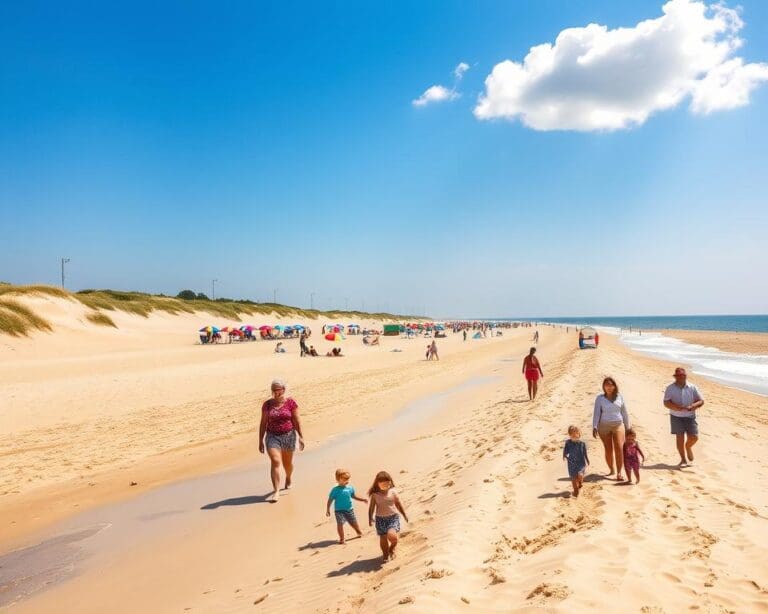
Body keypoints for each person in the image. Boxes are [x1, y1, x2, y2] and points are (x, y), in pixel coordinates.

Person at [258, 379, 305, 502]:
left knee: (287, 464)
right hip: (272, 436)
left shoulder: (291, 403)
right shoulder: (267, 404)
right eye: (273, 390)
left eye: (278, 389)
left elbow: (296, 420)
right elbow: (263, 423)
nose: (275, 392)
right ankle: (276, 491)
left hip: (289, 435)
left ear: (283, 390)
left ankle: (288, 477)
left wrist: (301, 436)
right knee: (275, 461)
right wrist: (260, 440)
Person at [664, 367, 704, 466]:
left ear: (685, 376)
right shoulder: (670, 388)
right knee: (680, 438)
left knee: (694, 437)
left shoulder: (692, 387)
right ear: (675, 377)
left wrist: (693, 406)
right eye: (679, 376)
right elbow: (666, 402)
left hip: (690, 416)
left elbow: (701, 401)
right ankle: (683, 459)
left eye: (683, 375)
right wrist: (675, 407)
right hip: (676, 416)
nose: (681, 377)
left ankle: (688, 447)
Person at [592, 377, 630, 480]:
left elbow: (624, 413)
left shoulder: (620, 397)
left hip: (618, 425)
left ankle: (619, 472)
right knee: (608, 449)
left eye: (611, 385)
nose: (609, 387)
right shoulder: (600, 398)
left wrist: (628, 427)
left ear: (614, 386)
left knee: (619, 447)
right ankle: (611, 469)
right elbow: (596, 413)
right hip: (603, 426)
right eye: (606, 385)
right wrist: (595, 426)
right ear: (603, 387)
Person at [368, 471, 408, 563]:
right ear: (377, 484)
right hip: (380, 519)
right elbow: (371, 507)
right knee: (383, 537)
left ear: (390, 482)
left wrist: (404, 514)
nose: (386, 485)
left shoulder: (393, 492)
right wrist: (370, 518)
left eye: (387, 483)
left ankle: (392, 548)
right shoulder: (375, 495)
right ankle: (385, 554)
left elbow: (398, 504)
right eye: (383, 483)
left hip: (392, 518)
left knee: (393, 537)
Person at [326, 469, 367, 544]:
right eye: (344, 479)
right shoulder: (335, 490)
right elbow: (330, 500)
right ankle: (342, 538)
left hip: (349, 509)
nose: (347, 481)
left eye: (347, 479)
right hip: (339, 511)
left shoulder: (350, 488)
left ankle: (359, 531)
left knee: (353, 522)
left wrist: (362, 499)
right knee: (340, 524)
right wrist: (328, 509)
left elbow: (354, 496)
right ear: (338, 479)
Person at [563, 425, 589, 497]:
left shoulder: (582, 443)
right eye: (572, 434)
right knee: (573, 477)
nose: (574, 435)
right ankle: (575, 490)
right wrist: (564, 455)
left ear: (579, 434)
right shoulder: (568, 442)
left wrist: (587, 459)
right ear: (569, 435)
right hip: (571, 462)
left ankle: (580, 482)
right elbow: (565, 450)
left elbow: (585, 453)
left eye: (576, 434)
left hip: (581, 462)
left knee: (580, 475)